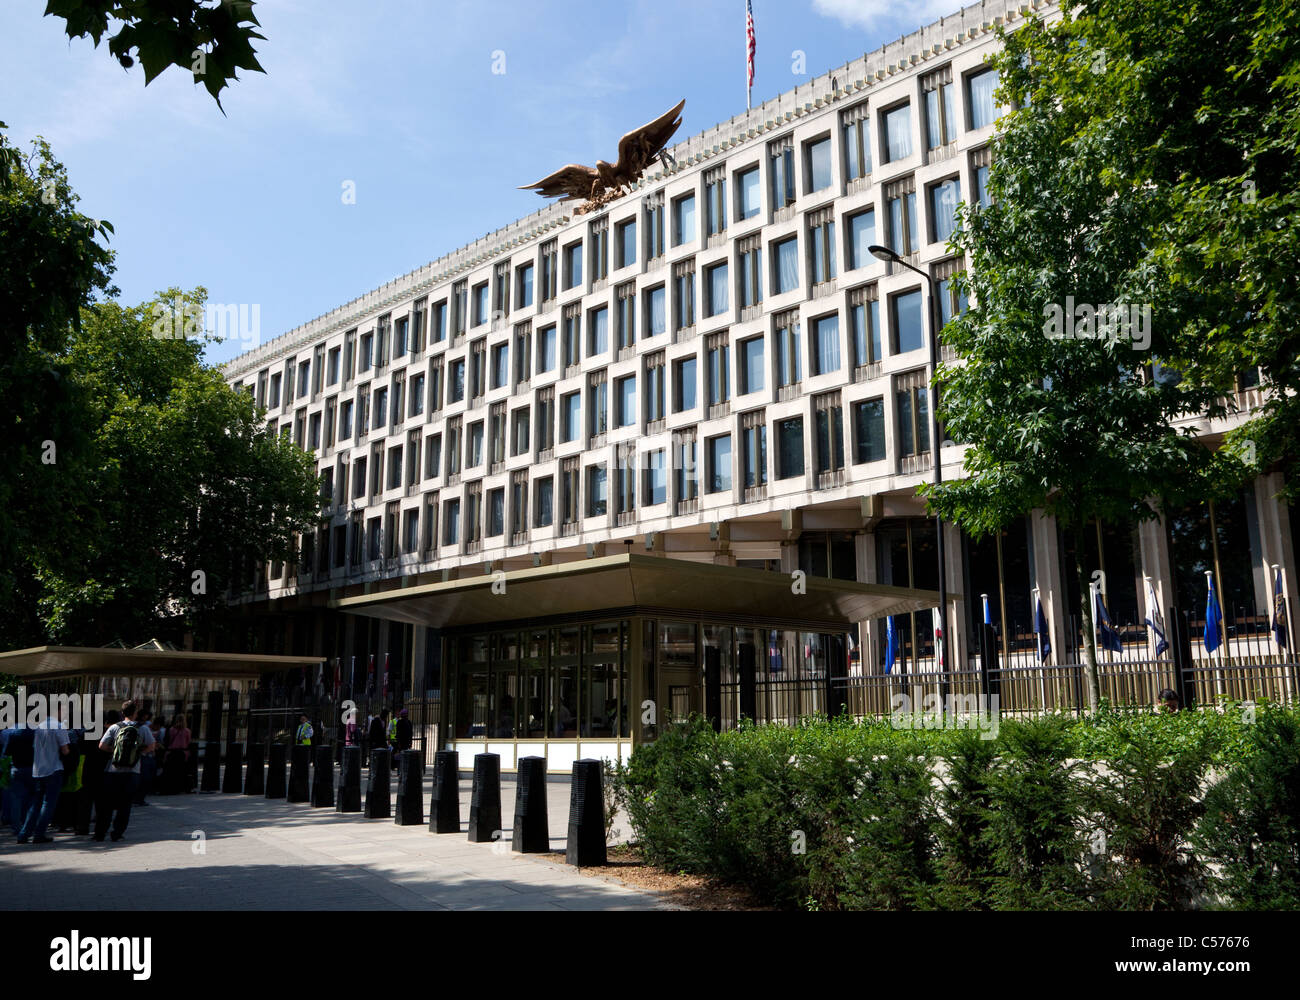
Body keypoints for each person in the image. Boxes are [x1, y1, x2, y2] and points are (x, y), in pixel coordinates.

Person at [94, 700, 156, 843]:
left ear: (122, 713)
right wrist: (137, 754)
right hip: (132, 771)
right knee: (125, 804)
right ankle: (117, 833)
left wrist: (114, 751)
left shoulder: (115, 727)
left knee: (107, 804)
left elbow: (102, 745)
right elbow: (152, 746)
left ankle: (100, 832)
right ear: (135, 714)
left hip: (113, 770)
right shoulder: (143, 729)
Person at [17, 704, 71, 844]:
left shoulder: (39, 727)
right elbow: (65, 750)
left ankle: (23, 834)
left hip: (38, 770)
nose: (65, 713)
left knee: (35, 803)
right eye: (63, 710)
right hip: (54, 769)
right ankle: (39, 834)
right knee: (48, 804)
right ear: (57, 711)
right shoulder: (59, 726)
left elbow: (35, 747)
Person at [161, 715, 191, 795]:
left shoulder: (172, 730)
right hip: (182, 752)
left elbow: (169, 740)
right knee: (180, 771)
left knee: (171, 771)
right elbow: (188, 742)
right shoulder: (187, 731)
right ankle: (179, 788)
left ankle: (171, 788)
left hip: (173, 751)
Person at [133, 709, 156, 806]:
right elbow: (151, 744)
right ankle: (139, 799)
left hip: (127, 756)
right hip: (142, 756)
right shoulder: (144, 728)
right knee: (144, 778)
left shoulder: (122, 726)